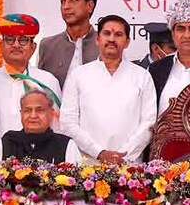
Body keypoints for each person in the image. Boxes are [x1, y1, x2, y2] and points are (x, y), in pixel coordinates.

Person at [60, 15, 157, 164]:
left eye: (118, 34)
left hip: (129, 165)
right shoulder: (79, 75)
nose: (112, 39)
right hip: (87, 166)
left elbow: (149, 123)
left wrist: (124, 155)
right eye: (107, 33)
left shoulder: (142, 76)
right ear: (97, 39)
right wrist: (99, 152)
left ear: (127, 42)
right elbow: (68, 122)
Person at [0, 13, 63, 155]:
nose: (16, 45)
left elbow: (57, 128)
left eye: (23, 40)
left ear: (33, 47)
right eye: (10, 39)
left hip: (40, 164)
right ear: (1, 46)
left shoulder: (47, 81)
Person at [37, 0, 99, 89]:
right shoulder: (47, 46)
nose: (66, 6)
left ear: (90, 6)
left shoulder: (105, 44)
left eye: (73, 0)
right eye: (63, 1)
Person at [0, 90, 82, 163]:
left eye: (40, 110)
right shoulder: (6, 142)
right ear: (21, 114)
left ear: (51, 114)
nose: (33, 116)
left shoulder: (66, 145)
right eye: (27, 110)